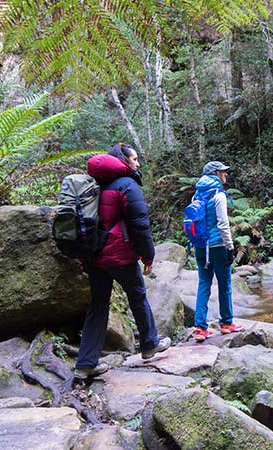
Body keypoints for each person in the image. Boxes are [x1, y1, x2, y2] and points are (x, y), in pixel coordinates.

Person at [74, 143, 170, 379]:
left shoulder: (94, 185)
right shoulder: (127, 185)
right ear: (124, 161)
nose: (137, 164)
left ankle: (85, 364)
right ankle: (149, 344)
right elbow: (140, 223)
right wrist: (148, 255)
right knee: (137, 295)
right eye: (134, 159)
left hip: (94, 256)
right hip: (119, 254)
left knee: (98, 305)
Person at [191, 161, 243, 342]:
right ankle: (227, 323)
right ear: (215, 174)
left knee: (203, 284)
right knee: (224, 284)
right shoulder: (218, 196)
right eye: (223, 172)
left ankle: (200, 328)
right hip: (218, 246)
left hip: (200, 246)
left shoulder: (196, 195)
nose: (225, 175)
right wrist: (230, 246)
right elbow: (223, 224)